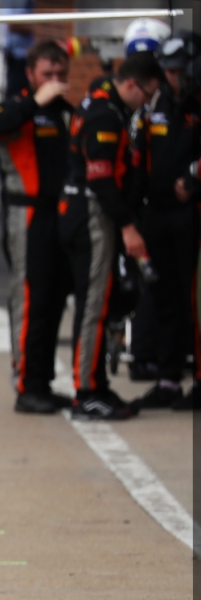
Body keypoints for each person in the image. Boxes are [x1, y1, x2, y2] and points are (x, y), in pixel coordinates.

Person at [58, 53, 164, 420]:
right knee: (93, 307)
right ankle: (85, 393)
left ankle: (97, 384)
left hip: (88, 213)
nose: (148, 103)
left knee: (100, 304)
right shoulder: (105, 114)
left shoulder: (104, 99)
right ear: (132, 84)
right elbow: (100, 179)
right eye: (147, 94)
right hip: (90, 215)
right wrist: (128, 226)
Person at [0, 41, 74, 414]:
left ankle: (42, 380)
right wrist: (35, 101)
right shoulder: (16, 107)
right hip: (27, 214)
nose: (55, 81)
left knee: (53, 301)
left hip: (61, 214)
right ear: (32, 74)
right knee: (29, 298)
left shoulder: (67, 113)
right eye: (48, 74)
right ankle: (25, 383)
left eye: (61, 75)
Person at [129, 32, 201, 410]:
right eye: (169, 71)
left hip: (191, 215)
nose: (175, 78)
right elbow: (137, 161)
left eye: (180, 71)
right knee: (164, 298)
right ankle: (169, 378)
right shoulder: (149, 108)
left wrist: (193, 176)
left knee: (194, 300)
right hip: (156, 215)